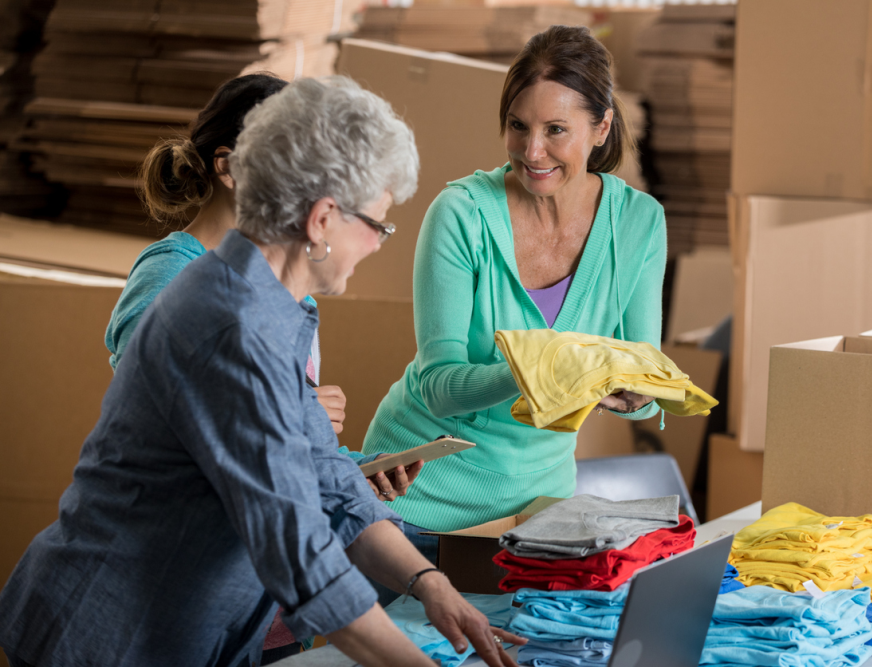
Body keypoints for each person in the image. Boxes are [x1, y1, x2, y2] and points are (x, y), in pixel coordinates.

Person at [0, 76, 522, 667]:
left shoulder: (270, 304)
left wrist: (432, 585)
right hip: (109, 639)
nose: (378, 245)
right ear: (323, 219)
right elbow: (299, 551)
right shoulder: (230, 327)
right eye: (378, 225)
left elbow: (327, 474)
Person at [103, 73, 419, 662]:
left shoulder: (292, 295)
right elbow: (192, 445)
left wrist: (347, 470)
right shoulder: (183, 287)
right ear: (230, 168)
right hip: (163, 607)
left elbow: (283, 454)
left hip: (249, 607)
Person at [361, 25, 666, 570]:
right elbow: (436, 388)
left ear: (601, 128)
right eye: (517, 126)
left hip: (537, 506)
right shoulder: (461, 214)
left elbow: (640, 362)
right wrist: (541, 369)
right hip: (415, 500)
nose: (532, 151)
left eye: (555, 130)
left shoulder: (639, 223)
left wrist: (633, 390)